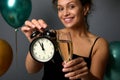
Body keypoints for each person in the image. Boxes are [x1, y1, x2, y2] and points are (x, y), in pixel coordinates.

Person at [21, 0, 109, 80]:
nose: (65, 13)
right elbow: (31, 70)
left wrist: (87, 76)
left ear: (85, 8)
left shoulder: (98, 44)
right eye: (60, 8)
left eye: (71, 6)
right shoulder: (51, 35)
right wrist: (35, 42)